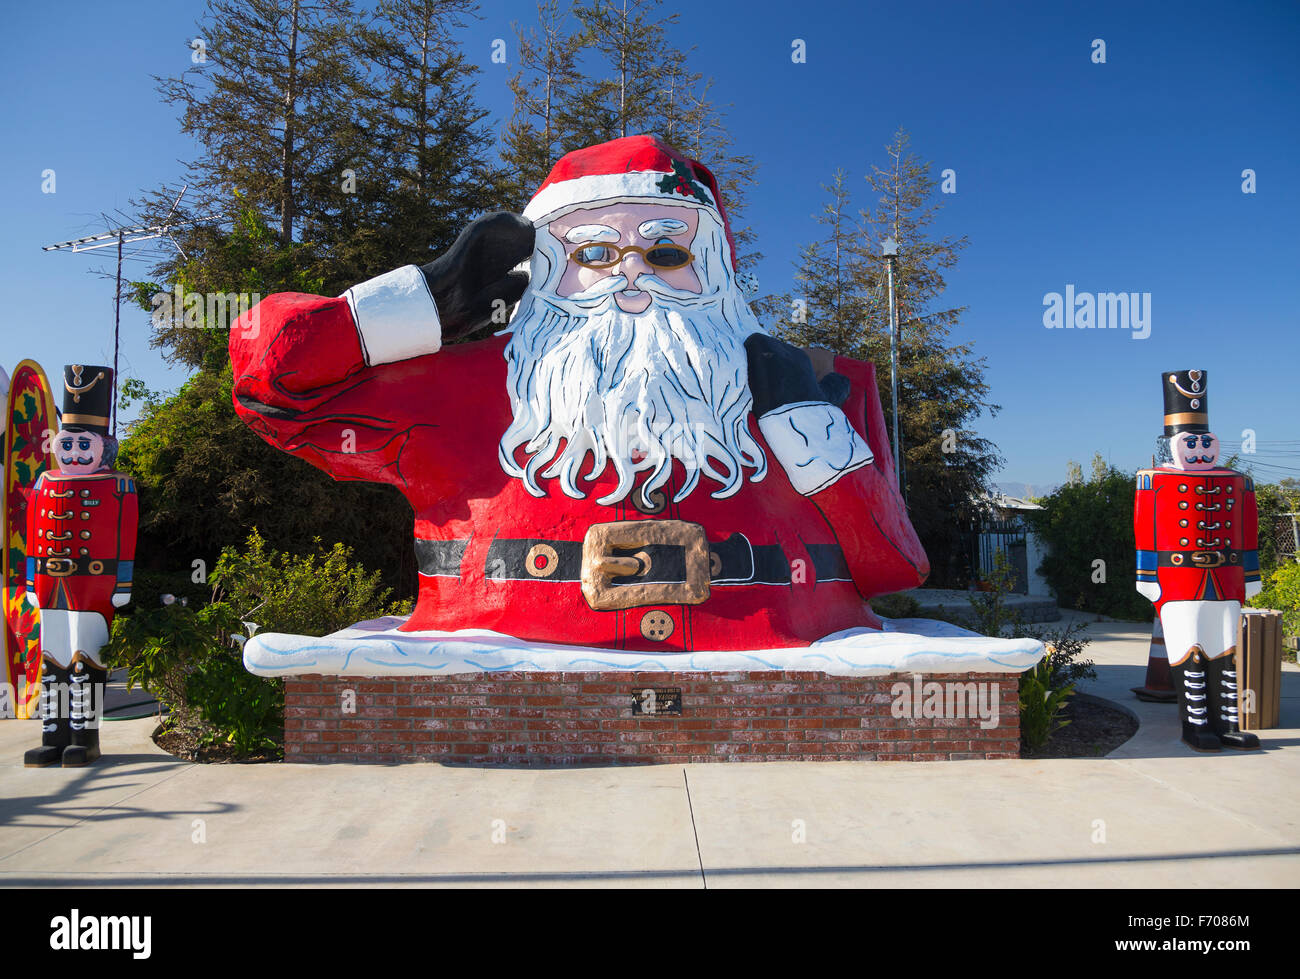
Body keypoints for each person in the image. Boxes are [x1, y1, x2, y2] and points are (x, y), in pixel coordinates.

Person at [230, 135, 928, 653]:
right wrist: (427, 301)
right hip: (506, 706)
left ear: (714, 271)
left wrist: (807, 427)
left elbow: (893, 569)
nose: (630, 274)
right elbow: (270, 383)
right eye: (593, 253)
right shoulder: (455, 387)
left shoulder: (822, 387)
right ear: (546, 270)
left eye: (665, 253)